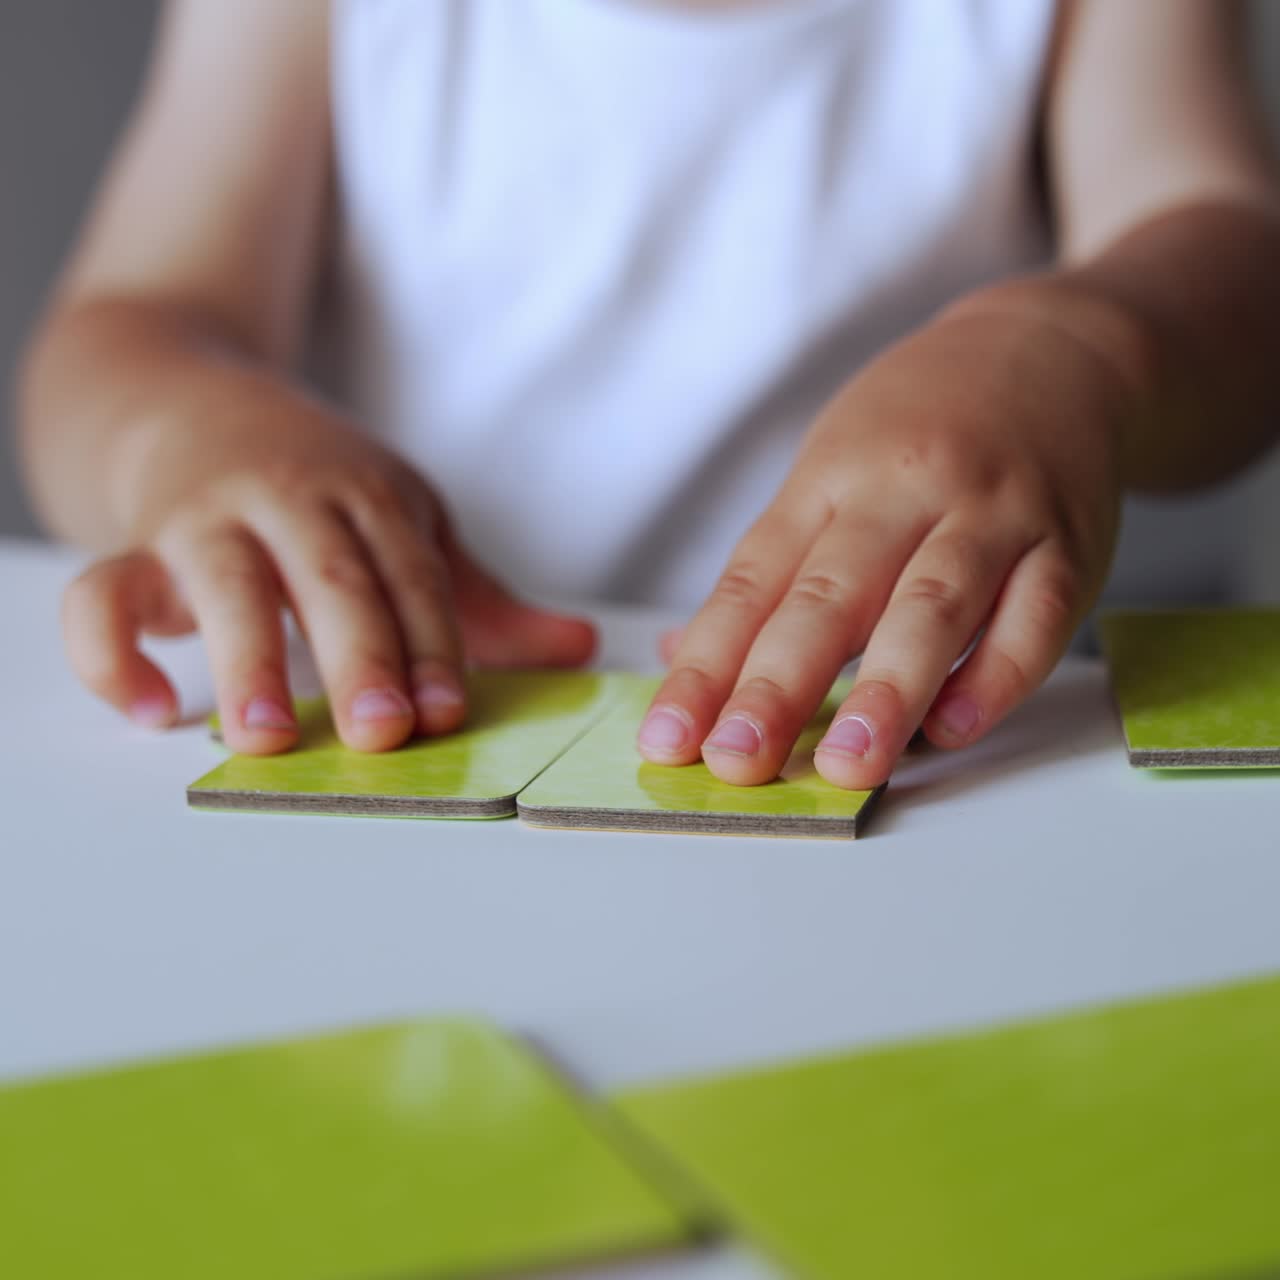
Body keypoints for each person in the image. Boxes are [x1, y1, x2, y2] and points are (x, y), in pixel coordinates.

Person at [17, 0, 1280, 790]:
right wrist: (190, 434)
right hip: (399, 741)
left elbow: (1229, 256)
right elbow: (122, 330)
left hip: (909, 763)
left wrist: (1079, 349)